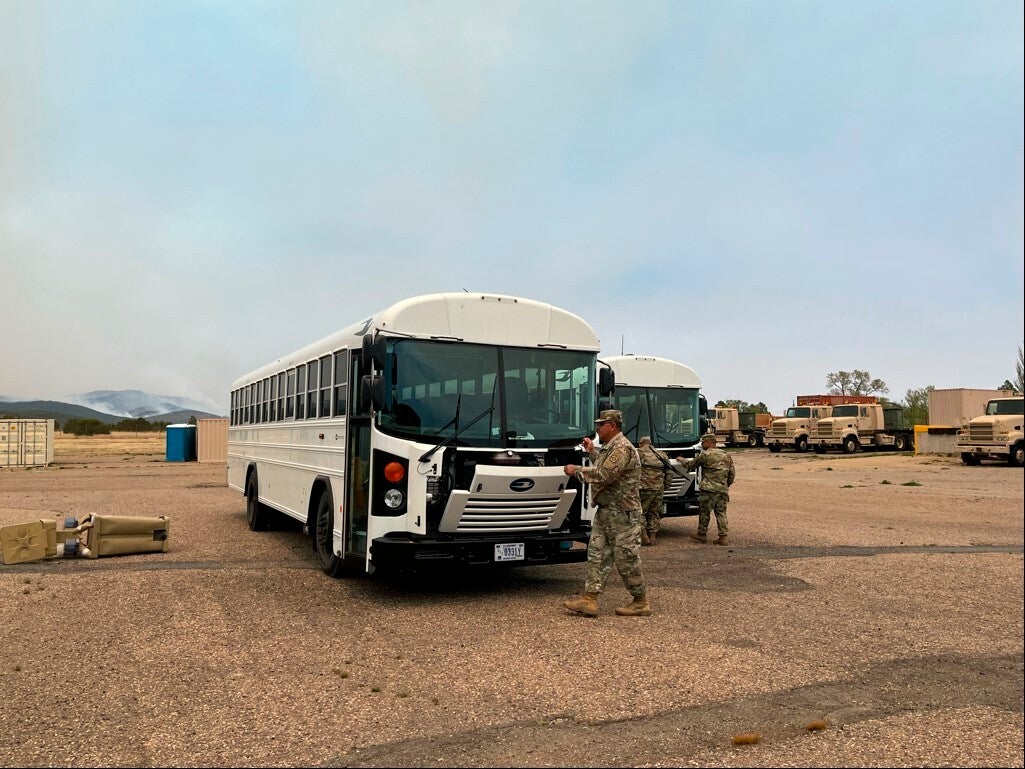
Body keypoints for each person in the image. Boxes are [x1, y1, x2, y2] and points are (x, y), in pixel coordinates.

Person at [561, 409, 650, 617]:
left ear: (612, 426)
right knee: (597, 555)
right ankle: (589, 599)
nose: (598, 428)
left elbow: (604, 474)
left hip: (623, 514)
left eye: (601, 424)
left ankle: (640, 600)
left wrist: (577, 470)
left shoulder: (621, 447)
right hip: (607, 512)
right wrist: (592, 451)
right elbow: (604, 464)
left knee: (626, 558)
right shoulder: (611, 447)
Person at [680, 433, 736, 545]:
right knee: (721, 513)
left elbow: (690, 465)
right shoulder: (726, 455)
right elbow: (732, 473)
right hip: (722, 489)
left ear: (709, 442)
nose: (702, 444)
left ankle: (701, 534)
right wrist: (725, 485)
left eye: (703, 442)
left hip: (708, 490)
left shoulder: (705, 455)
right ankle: (723, 537)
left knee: (704, 512)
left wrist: (681, 459)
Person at [637, 436, 672, 546]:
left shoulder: (638, 453)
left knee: (640, 511)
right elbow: (669, 472)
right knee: (655, 512)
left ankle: (643, 536)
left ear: (641, 444)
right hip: (658, 488)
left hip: (643, 488)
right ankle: (653, 538)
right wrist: (666, 485)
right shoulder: (661, 454)